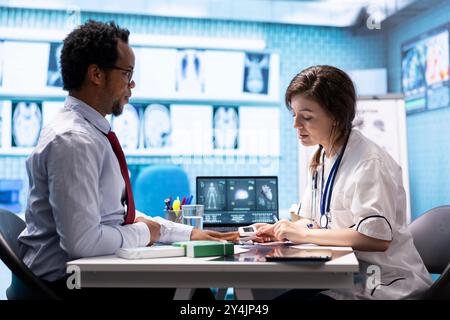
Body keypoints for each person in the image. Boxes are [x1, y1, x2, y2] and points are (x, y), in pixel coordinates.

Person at [18, 20, 237, 300]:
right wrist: (148, 233)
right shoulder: (73, 140)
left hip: (87, 274)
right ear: (96, 74)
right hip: (65, 286)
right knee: (196, 295)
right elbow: (83, 243)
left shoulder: (92, 133)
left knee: (196, 290)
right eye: (127, 73)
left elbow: (115, 217)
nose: (131, 84)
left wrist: (184, 233)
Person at [255, 65, 432, 300]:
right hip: (345, 279)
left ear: (336, 117)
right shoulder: (322, 157)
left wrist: (303, 235)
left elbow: (375, 238)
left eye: (306, 117)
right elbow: (314, 222)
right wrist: (285, 231)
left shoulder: (369, 162)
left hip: (384, 286)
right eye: (294, 115)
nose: (296, 125)